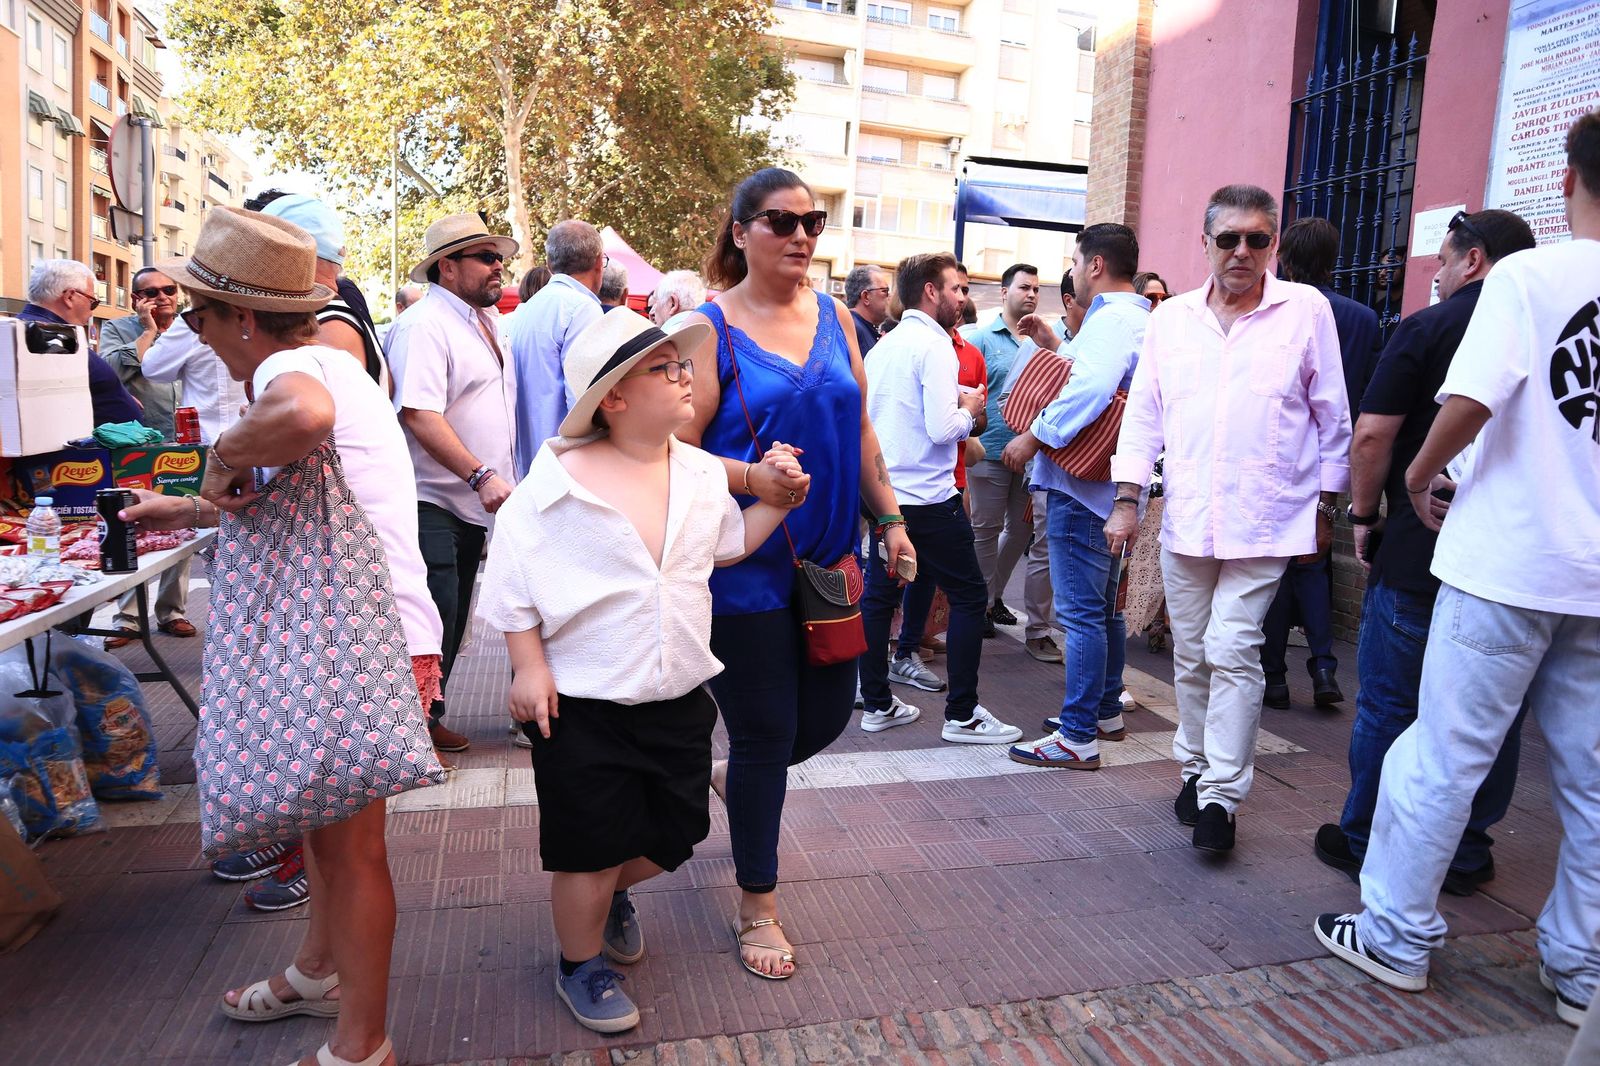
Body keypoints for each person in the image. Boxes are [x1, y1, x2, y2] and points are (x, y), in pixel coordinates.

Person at [121, 205, 447, 1066]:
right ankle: (316, 974)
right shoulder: (324, 362)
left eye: (196, 314)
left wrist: (220, 454)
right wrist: (192, 503)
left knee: (349, 853)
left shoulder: (299, 368)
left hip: (366, 643)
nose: (190, 329)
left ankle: (363, 1043)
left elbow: (300, 423)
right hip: (362, 638)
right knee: (329, 835)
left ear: (240, 317)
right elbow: (288, 491)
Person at [1317, 112, 1600, 1032]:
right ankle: (1582, 971)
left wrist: (1414, 471)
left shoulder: (1528, 275)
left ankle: (1397, 935)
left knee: (1442, 753)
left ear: (1566, 183)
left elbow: (1474, 400)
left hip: (1508, 558)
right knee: (1593, 784)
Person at [480, 310, 803, 1031]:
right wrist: (526, 665)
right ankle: (579, 963)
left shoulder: (694, 472)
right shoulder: (556, 483)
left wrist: (776, 505)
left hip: (678, 692)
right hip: (582, 704)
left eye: (685, 364)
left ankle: (604, 896)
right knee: (588, 851)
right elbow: (512, 581)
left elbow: (729, 545)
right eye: (667, 368)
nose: (687, 375)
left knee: (676, 835)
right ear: (614, 399)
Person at [679, 167, 913, 979]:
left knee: (822, 721)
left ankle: (733, 778)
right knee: (767, 732)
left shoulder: (840, 318)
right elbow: (671, 451)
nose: (802, 236)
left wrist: (891, 519)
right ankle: (758, 906)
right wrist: (753, 480)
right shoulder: (705, 330)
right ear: (740, 231)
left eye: (812, 220)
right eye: (781, 222)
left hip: (829, 563)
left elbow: (863, 433)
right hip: (744, 567)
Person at [1104, 184, 1352, 854]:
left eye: (1257, 239)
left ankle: (1220, 797)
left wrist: (1329, 507)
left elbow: (1334, 415)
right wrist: (1127, 501)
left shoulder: (1305, 311)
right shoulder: (1173, 320)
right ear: (1206, 242)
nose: (1242, 251)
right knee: (1192, 653)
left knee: (1235, 649)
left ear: (1273, 243)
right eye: (1228, 238)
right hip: (1189, 517)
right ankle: (1195, 767)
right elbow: (1144, 416)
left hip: (1267, 519)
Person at [1314, 207, 1536, 895]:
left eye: (1441, 259)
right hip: (1510, 562)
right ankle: (1466, 851)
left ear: (1472, 260)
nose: (1435, 274)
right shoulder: (1548, 329)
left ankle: (1365, 837)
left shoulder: (1429, 326)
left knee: (1390, 702)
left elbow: (1373, 435)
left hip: (1421, 549)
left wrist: (1363, 512)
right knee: (1490, 716)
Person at [1003, 223, 1150, 769]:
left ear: (1094, 265)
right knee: (1103, 608)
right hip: (1107, 489)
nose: (1071, 270)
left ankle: (1078, 734)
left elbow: (1088, 388)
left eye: (1074, 259)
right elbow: (1092, 376)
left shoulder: (1112, 320)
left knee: (1083, 614)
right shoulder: (1133, 318)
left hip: (1081, 486)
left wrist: (1033, 434)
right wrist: (1053, 346)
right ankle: (1104, 709)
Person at [859, 253, 1019, 744]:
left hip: (886, 499)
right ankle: (963, 714)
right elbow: (941, 428)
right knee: (971, 596)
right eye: (958, 289)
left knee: (881, 598)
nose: (964, 299)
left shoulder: (884, 346)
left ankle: (878, 702)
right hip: (927, 500)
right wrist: (969, 409)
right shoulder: (934, 346)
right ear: (931, 291)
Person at [390, 212, 521, 756]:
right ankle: (407, 728)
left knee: (454, 616)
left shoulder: (479, 320)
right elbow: (419, 413)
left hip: (471, 502)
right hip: (433, 498)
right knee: (434, 617)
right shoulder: (425, 325)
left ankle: (426, 716)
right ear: (447, 267)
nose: (499, 269)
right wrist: (479, 472)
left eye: (501, 259)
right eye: (486, 258)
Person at [1258, 217, 1384, 708]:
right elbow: (1368, 395)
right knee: (1313, 563)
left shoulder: (1278, 310)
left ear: (1282, 255)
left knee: (1275, 566)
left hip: (1282, 453)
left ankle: (1274, 678)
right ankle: (1325, 667)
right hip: (1336, 456)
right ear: (1334, 259)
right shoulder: (1363, 318)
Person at [96, 267, 195, 648]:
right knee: (132, 522)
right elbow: (113, 371)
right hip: (136, 447)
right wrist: (148, 331)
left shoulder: (191, 327)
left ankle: (173, 612)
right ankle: (128, 617)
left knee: (182, 520)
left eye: (168, 289)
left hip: (182, 443)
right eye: (149, 292)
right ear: (136, 298)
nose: (161, 297)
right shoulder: (117, 330)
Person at [960, 263, 1054, 654]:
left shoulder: (1044, 340)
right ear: (1004, 293)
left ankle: (992, 594)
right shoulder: (982, 338)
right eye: (1024, 287)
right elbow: (969, 391)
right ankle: (980, 605)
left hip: (1032, 453)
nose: (1031, 294)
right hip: (993, 450)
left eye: (1036, 288)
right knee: (984, 529)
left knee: (1019, 532)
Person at [253, 192, 389, 392]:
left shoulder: (325, 328)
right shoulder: (332, 316)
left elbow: (309, 415)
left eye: (262, 254)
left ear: (288, 255)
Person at [504, 220, 605, 480]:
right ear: (597, 263)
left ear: (549, 265)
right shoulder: (582, 308)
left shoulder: (527, 310)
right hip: (567, 469)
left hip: (531, 466)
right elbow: (582, 405)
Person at [17, 259, 142, 424]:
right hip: (83, 446)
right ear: (69, 297)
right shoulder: (48, 335)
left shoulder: (29, 331)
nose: (91, 313)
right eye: (93, 302)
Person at [845, 265, 891, 356]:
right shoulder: (852, 329)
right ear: (866, 296)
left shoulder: (858, 326)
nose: (889, 297)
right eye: (885, 291)